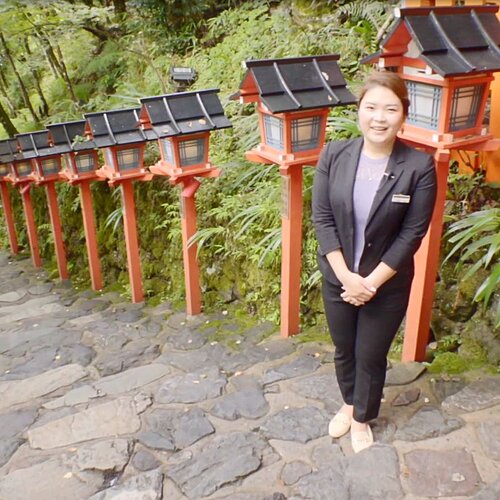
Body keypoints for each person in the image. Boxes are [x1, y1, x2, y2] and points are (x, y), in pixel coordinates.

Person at [311, 71, 437, 453]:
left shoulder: (418, 166)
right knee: (344, 348)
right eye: (371, 107)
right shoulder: (334, 154)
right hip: (338, 275)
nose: (379, 118)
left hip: (387, 283)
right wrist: (346, 277)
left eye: (390, 109)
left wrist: (370, 283)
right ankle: (349, 404)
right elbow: (322, 218)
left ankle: (362, 417)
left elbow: (411, 234)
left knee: (370, 353)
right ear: (359, 111)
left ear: (403, 115)